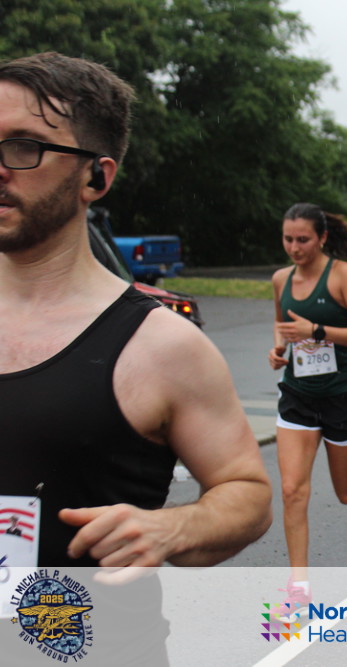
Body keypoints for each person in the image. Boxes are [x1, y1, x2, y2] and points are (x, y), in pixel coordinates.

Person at [0, 51, 272, 665]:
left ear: (96, 178)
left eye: (23, 147)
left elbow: (247, 494)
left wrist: (170, 527)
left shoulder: (161, 345)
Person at [268, 203, 347, 615]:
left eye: (303, 239)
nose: (294, 248)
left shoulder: (342, 275)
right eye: (288, 239)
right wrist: (278, 350)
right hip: (298, 396)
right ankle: (298, 588)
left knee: (345, 491)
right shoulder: (281, 279)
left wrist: (316, 330)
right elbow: (282, 326)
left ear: (322, 238)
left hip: (343, 396)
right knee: (291, 490)